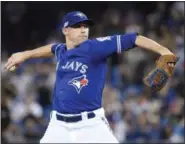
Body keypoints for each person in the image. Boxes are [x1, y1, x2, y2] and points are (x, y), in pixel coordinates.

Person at [4, 11, 176, 143]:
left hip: (91, 124)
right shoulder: (62, 50)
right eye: (77, 26)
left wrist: (163, 50)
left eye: (85, 26)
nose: (83, 30)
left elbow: (134, 39)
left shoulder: (96, 47)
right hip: (58, 126)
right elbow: (50, 48)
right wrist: (24, 55)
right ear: (65, 30)